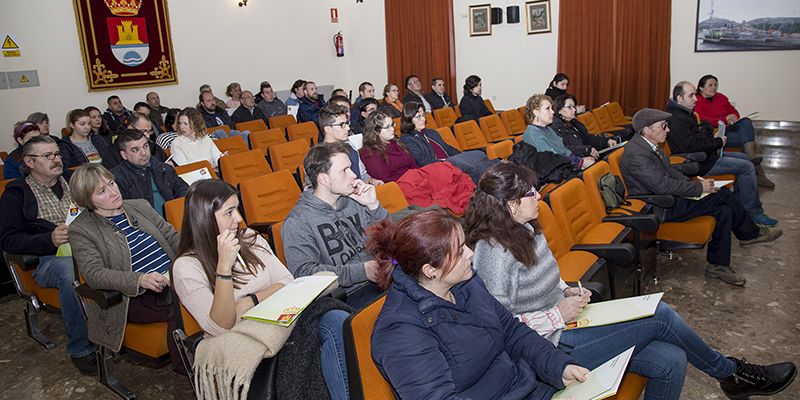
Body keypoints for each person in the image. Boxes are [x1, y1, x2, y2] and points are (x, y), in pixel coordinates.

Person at [465, 162, 798, 400]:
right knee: (662, 315)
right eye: (531, 193)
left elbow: (539, 279)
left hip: (568, 325)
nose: (539, 196)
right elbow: (498, 328)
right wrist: (557, 314)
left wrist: (564, 288)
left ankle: (733, 375)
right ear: (510, 205)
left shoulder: (525, 228)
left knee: (671, 359)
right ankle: (731, 374)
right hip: (547, 348)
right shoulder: (492, 252)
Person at [368, 209, 588, 399]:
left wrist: (559, 367)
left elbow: (512, 333)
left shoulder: (468, 283)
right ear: (430, 271)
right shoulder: (400, 332)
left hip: (526, 388)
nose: (471, 254)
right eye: (460, 250)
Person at [171, 179, 350, 399]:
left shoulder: (249, 238)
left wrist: (248, 301)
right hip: (250, 340)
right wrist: (224, 267)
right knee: (324, 340)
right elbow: (220, 325)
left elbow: (286, 280)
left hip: (282, 319)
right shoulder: (187, 266)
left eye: (237, 209)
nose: (238, 219)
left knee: (338, 321)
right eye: (229, 212)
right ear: (204, 219)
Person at [620, 108, 782, 286]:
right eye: (663, 126)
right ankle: (750, 234)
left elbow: (671, 172)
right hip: (660, 205)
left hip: (669, 197)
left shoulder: (649, 145)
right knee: (723, 195)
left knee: (724, 211)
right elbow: (662, 185)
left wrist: (697, 183)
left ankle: (718, 266)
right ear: (646, 130)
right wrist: (697, 188)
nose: (668, 130)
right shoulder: (637, 153)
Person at [67, 164, 183, 373]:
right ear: (87, 200)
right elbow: (94, 274)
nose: (113, 192)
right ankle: (185, 383)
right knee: (181, 306)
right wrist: (139, 279)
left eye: (111, 183)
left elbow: (171, 236)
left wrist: (201, 244)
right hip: (130, 297)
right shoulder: (81, 229)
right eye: (102, 191)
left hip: (172, 279)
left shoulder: (139, 206)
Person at [0, 136, 96, 375]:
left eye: (57, 154)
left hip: (88, 246)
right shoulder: (17, 193)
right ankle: (80, 348)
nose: (56, 160)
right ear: (29, 162)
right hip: (48, 258)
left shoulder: (73, 181)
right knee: (71, 273)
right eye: (48, 156)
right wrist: (48, 239)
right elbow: (8, 239)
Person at [282, 141, 387, 308]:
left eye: (351, 168)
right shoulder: (298, 222)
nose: (354, 175)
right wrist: (362, 271)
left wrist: (373, 206)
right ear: (324, 179)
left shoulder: (355, 200)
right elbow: (304, 273)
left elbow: (390, 239)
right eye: (344, 171)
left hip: (383, 278)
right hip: (348, 295)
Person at [667, 81, 777, 227]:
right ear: (679, 98)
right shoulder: (676, 118)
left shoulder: (686, 113)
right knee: (746, 167)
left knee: (746, 159)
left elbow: (699, 138)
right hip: (698, 162)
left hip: (706, 156)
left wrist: (708, 133)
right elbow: (690, 146)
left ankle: (742, 208)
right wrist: (717, 141)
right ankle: (753, 213)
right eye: (691, 95)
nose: (696, 99)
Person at [694, 74, 773, 188]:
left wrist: (733, 116)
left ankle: (751, 155)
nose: (714, 88)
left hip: (729, 128)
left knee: (746, 121)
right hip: (715, 134)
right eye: (710, 85)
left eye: (716, 85)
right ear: (701, 87)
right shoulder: (697, 101)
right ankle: (759, 174)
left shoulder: (721, 97)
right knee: (747, 141)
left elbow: (733, 111)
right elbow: (702, 120)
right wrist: (723, 119)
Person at [399, 102, 496, 183]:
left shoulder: (431, 132)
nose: (423, 119)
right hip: (438, 167)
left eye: (423, 115)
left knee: (480, 156)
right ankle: (485, 187)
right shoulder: (407, 139)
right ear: (409, 119)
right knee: (472, 166)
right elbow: (422, 161)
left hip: (451, 160)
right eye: (418, 117)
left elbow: (448, 148)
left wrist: (464, 156)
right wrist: (445, 161)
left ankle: (495, 181)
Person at [110, 129, 188, 216]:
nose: (143, 153)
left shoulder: (164, 168)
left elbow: (183, 188)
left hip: (174, 218)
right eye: (135, 150)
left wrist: (179, 210)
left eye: (145, 146)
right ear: (124, 155)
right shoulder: (116, 179)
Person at [522, 94, 594, 170]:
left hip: (566, 165)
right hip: (555, 172)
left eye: (552, 108)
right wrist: (581, 162)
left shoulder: (548, 129)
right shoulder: (533, 135)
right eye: (548, 109)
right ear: (536, 112)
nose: (553, 112)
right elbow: (553, 158)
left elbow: (564, 150)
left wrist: (580, 160)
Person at [319, 104, 382, 186]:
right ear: (328, 129)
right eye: (342, 125)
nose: (348, 128)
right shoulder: (319, 157)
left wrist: (371, 181)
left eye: (347, 123)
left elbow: (362, 175)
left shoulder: (350, 146)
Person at [551, 94, 615, 159]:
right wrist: (586, 149)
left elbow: (587, 138)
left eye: (574, 106)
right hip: (576, 161)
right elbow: (564, 149)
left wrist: (606, 141)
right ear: (559, 110)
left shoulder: (574, 122)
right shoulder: (555, 127)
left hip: (587, 155)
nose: (574, 110)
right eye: (569, 107)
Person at [359, 111, 417, 182]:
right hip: (397, 187)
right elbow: (384, 180)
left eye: (392, 125)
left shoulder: (396, 142)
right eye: (387, 127)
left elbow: (413, 165)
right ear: (376, 131)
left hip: (414, 179)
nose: (392, 129)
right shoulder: (369, 152)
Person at [100, 112, 168, 170]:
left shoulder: (154, 147)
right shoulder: (110, 154)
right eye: (144, 131)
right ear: (130, 128)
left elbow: (165, 162)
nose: (148, 136)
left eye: (149, 132)